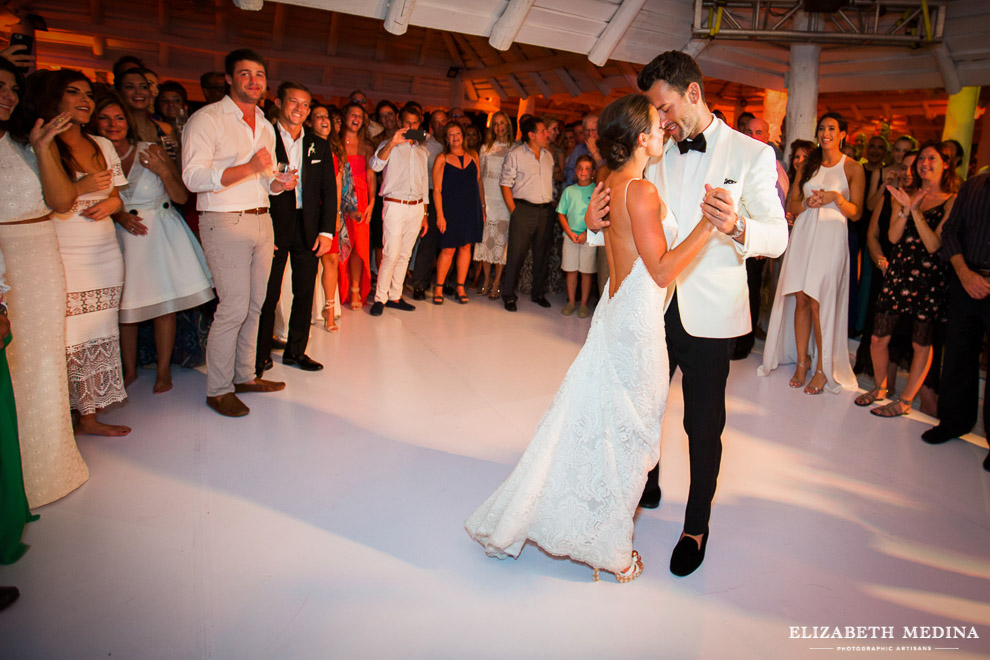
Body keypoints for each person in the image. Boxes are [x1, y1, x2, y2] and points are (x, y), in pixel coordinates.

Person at [467, 93, 718, 582]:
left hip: (617, 308)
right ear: (641, 138)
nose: (666, 129)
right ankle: (612, 548)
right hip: (638, 322)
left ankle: (588, 520)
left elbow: (607, 236)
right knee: (636, 436)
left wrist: (590, 224)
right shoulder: (641, 192)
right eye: (657, 124)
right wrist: (710, 225)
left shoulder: (613, 182)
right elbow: (663, 269)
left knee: (608, 424)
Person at [587, 51, 788, 576]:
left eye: (665, 107)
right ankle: (645, 484)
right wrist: (591, 221)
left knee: (702, 424)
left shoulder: (752, 155)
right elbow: (626, 208)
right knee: (641, 408)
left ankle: (695, 527)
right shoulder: (655, 150)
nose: (661, 121)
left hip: (709, 314)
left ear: (693, 93)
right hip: (649, 306)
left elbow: (778, 235)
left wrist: (740, 227)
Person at [181, 49, 291, 418]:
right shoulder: (207, 119)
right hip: (223, 220)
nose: (254, 80)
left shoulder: (264, 122)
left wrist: (279, 184)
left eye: (259, 74)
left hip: (262, 218)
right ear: (229, 79)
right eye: (245, 74)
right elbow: (193, 178)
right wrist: (247, 168)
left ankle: (245, 375)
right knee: (232, 308)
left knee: (257, 305)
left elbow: (264, 179)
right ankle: (218, 389)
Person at [0, 57, 89, 507]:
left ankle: (46, 471)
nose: (7, 95)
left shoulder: (29, 140)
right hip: (1, 253)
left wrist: (41, 148)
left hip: (37, 254)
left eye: (13, 88)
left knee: (41, 361)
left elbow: (62, 201)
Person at [28, 70, 132, 436]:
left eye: (88, 94)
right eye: (74, 92)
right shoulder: (39, 144)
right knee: (66, 335)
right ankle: (57, 421)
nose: (86, 100)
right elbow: (51, 203)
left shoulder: (101, 144)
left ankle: (89, 416)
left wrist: (111, 205)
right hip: (63, 250)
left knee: (99, 331)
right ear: (54, 98)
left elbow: (118, 195)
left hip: (104, 251)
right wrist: (83, 186)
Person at [90, 93, 214, 393]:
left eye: (119, 118)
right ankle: (129, 370)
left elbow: (182, 197)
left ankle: (163, 372)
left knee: (165, 305)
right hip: (121, 236)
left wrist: (162, 170)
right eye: (105, 118)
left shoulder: (151, 150)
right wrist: (119, 215)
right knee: (126, 305)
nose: (113, 124)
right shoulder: (93, 156)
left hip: (160, 231)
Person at [759, 112, 864, 395]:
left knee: (819, 301)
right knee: (801, 298)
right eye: (821, 128)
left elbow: (856, 213)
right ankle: (802, 362)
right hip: (805, 232)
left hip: (831, 237)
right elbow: (793, 202)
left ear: (843, 133)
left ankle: (822, 368)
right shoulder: (808, 164)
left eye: (831, 128)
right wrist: (809, 201)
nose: (825, 132)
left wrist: (835, 198)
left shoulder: (852, 167)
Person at [857, 143, 958, 417]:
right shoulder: (905, 194)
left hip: (929, 278)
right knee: (878, 338)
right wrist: (904, 208)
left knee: (920, 344)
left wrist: (914, 210)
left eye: (931, 158)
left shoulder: (951, 199)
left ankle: (905, 400)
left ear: (945, 164)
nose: (924, 163)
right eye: (922, 158)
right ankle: (880, 388)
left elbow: (934, 243)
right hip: (899, 272)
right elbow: (891, 238)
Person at [255, 82, 336, 375]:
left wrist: (327, 232)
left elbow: (329, 191)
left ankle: (296, 351)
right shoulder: (263, 138)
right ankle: (260, 354)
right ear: (279, 102)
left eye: (305, 105)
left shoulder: (320, 144)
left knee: (304, 292)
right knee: (268, 293)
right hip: (273, 226)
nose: (299, 109)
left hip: (309, 227)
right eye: (293, 102)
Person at [921, 170, 990, 471]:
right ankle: (953, 422)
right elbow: (951, 232)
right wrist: (964, 273)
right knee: (958, 355)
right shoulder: (974, 185)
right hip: (965, 280)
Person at [734, 116, 791, 359]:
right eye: (749, 131)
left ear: (766, 137)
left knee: (751, 290)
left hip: (754, 239)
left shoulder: (774, 166)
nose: (753, 136)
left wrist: (760, 241)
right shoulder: (734, 159)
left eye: (758, 132)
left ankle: (743, 344)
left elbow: (778, 203)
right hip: (729, 238)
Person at [368, 104, 429, 316]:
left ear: (419, 124)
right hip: (394, 204)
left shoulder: (422, 150)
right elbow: (375, 165)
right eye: (407, 123)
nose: (410, 126)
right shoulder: (388, 145)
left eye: (414, 123)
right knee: (390, 254)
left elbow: (424, 182)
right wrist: (392, 143)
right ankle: (380, 298)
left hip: (416, 207)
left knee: (404, 255)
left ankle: (395, 295)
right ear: (400, 123)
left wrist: (425, 213)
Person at [500, 116, 555, 312]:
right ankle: (508, 294)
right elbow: (505, 184)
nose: (546, 134)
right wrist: (515, 211)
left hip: (545, 211)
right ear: (531, 135)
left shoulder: (548, 156)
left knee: (542, 254)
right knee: (516, 254)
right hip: (523, 209)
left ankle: (538, 293)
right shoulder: (515, 154)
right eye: (542, 131)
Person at [431, 121, 483, 305]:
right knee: (448, 249)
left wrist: (482, 208)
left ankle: (460, 286)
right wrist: (440, 215)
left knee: (466, 247)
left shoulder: (473, 155)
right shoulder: (442, 158)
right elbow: (436, 189)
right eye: (451, 135)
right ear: (446, 138)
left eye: (458, 134)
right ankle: (438, 287)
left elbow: (477, 184)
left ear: (463, 136)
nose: (455, 138)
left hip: (470, 208)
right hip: (450, 209)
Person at [337, 101, 375, 311]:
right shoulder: (335, 142)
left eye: (359, 116)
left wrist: (372, 202)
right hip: (337, 197)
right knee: (339, 245)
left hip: (360, 198)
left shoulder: (367, 146)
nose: (355, 119)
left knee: (358, 247)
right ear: (345, 117)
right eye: (352, 114)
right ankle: (336, 289)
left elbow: (370, 175)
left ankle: (354, 289)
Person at [475, 111, 513, 299]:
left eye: (502, 123)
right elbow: (480, 177)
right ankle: (486, 280)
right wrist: (482, 204)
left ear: (508, 125)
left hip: (504, 201)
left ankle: (497, 281)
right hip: (488, 199)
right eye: (496, 124)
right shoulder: (485, 148)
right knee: (486, 243)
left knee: (501, 244)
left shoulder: (514, 148)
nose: (499, 127)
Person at [410, 108, 447, 299]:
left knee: (450, 242)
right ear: (430, 125)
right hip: (431, 195)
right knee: (429, 241)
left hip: (451, 196)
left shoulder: (455, 142)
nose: (441, 125)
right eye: (437, 122)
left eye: (444, 121)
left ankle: (445, 282)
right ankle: (419, 285)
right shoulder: (425, 142)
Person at [556, 154, 597, 317]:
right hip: (570, 236)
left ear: (593, 171)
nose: (583, 171)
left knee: (586, 271)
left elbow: (599, 215)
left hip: (590, 237)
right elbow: (561, 213)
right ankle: (571, 301)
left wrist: (587, 234)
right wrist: (569, 232)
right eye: (580, 168)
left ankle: (584, 304)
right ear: (575, 171)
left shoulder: (596, 190)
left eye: (587, 168)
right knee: (571, 270)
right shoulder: (569, 191)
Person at [114, 68, 178, 159]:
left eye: (144, 87)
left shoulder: (165, 129)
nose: (139, 92)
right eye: (130, 87)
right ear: (119, 92)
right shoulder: (115, 129)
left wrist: (177, 152)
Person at [562, 113, 603, 186]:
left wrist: (594, 152)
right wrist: (580, 176)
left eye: (594, 130)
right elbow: (568, 171)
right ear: (583, 131)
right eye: (587, 130)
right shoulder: (579, 149)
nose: (590, 134)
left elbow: (605, 171)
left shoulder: (607, 147)